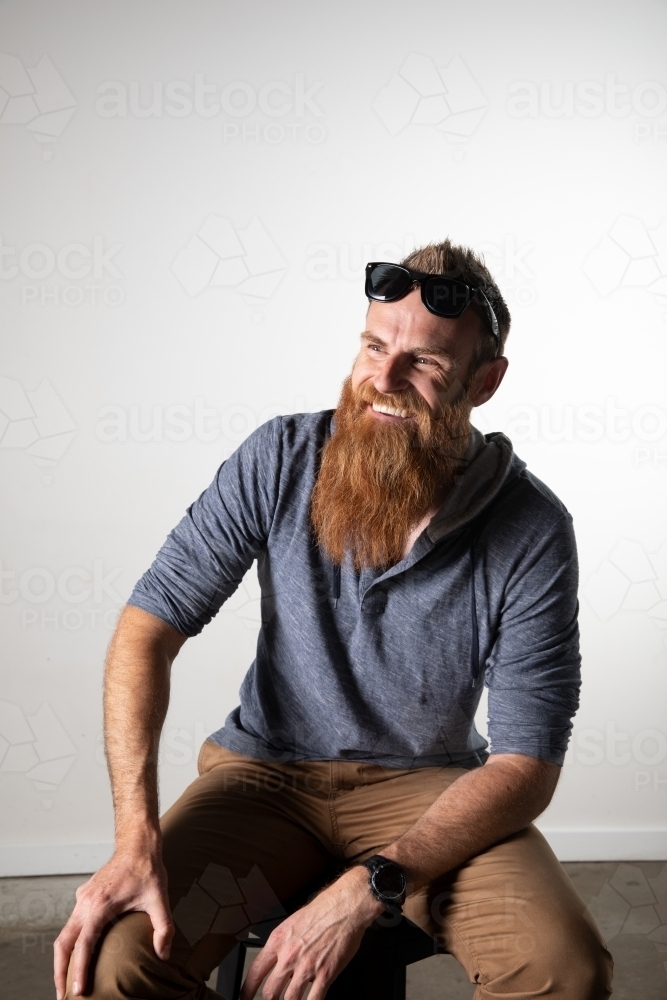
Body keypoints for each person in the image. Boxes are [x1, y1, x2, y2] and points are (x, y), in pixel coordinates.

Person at [54, 241, 612, 1000]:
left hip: (427, 788)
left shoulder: (532, 527)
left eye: (424, 363)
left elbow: (526, 764)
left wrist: (372, 883)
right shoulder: (280, 457)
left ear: (484, 382)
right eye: (374, 346)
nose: (383, 380)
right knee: (115, 962)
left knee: (561, 967)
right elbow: (145, 631)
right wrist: (134, 841)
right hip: (262, 782)